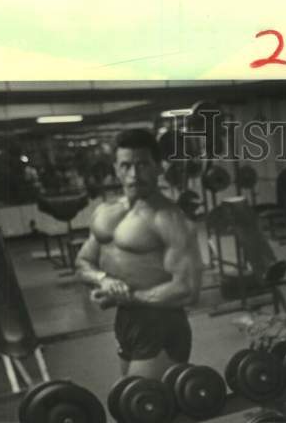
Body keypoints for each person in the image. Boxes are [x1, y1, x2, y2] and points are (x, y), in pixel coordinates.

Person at [75, 128, 203, 379]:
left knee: (143, 406)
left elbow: (188, 289)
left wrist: (127, 296)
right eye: (126, 165)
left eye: (143, 165)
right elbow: (83, 262)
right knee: (132, 402)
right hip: (126, 321)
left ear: (159, 167)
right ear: (116, 168)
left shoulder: (170, 219)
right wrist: (104, 279)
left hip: (161, 323)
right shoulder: (105, 213)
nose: (134, 174)